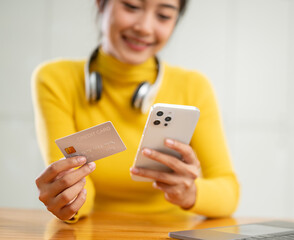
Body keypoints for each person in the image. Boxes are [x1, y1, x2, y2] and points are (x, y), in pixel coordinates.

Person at [32, 0, 240, 223]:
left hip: (169, 234)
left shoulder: (193, 86)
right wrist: (68, 201)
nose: (144, 27)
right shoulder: (55, 79)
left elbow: (228, 191)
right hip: (93, 230)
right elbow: (80, 192)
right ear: (101, 4)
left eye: (163, 16)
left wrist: (191, 193)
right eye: (131, 6)